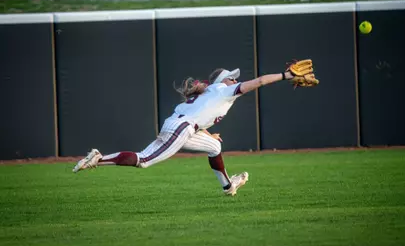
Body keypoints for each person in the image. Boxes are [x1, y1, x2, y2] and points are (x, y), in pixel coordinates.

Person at [72, 67, 299, 196]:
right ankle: (99, 159)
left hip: (180, 125)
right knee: (144, 160)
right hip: (182, 128)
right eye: (232, 77)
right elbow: (259, 81)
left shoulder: (208, 94)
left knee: (215, 146)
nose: (236, 79)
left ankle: (228, 187)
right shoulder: (224, 90)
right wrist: (285, 75)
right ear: (224, 80)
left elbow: (196, 118)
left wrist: (209, 135)